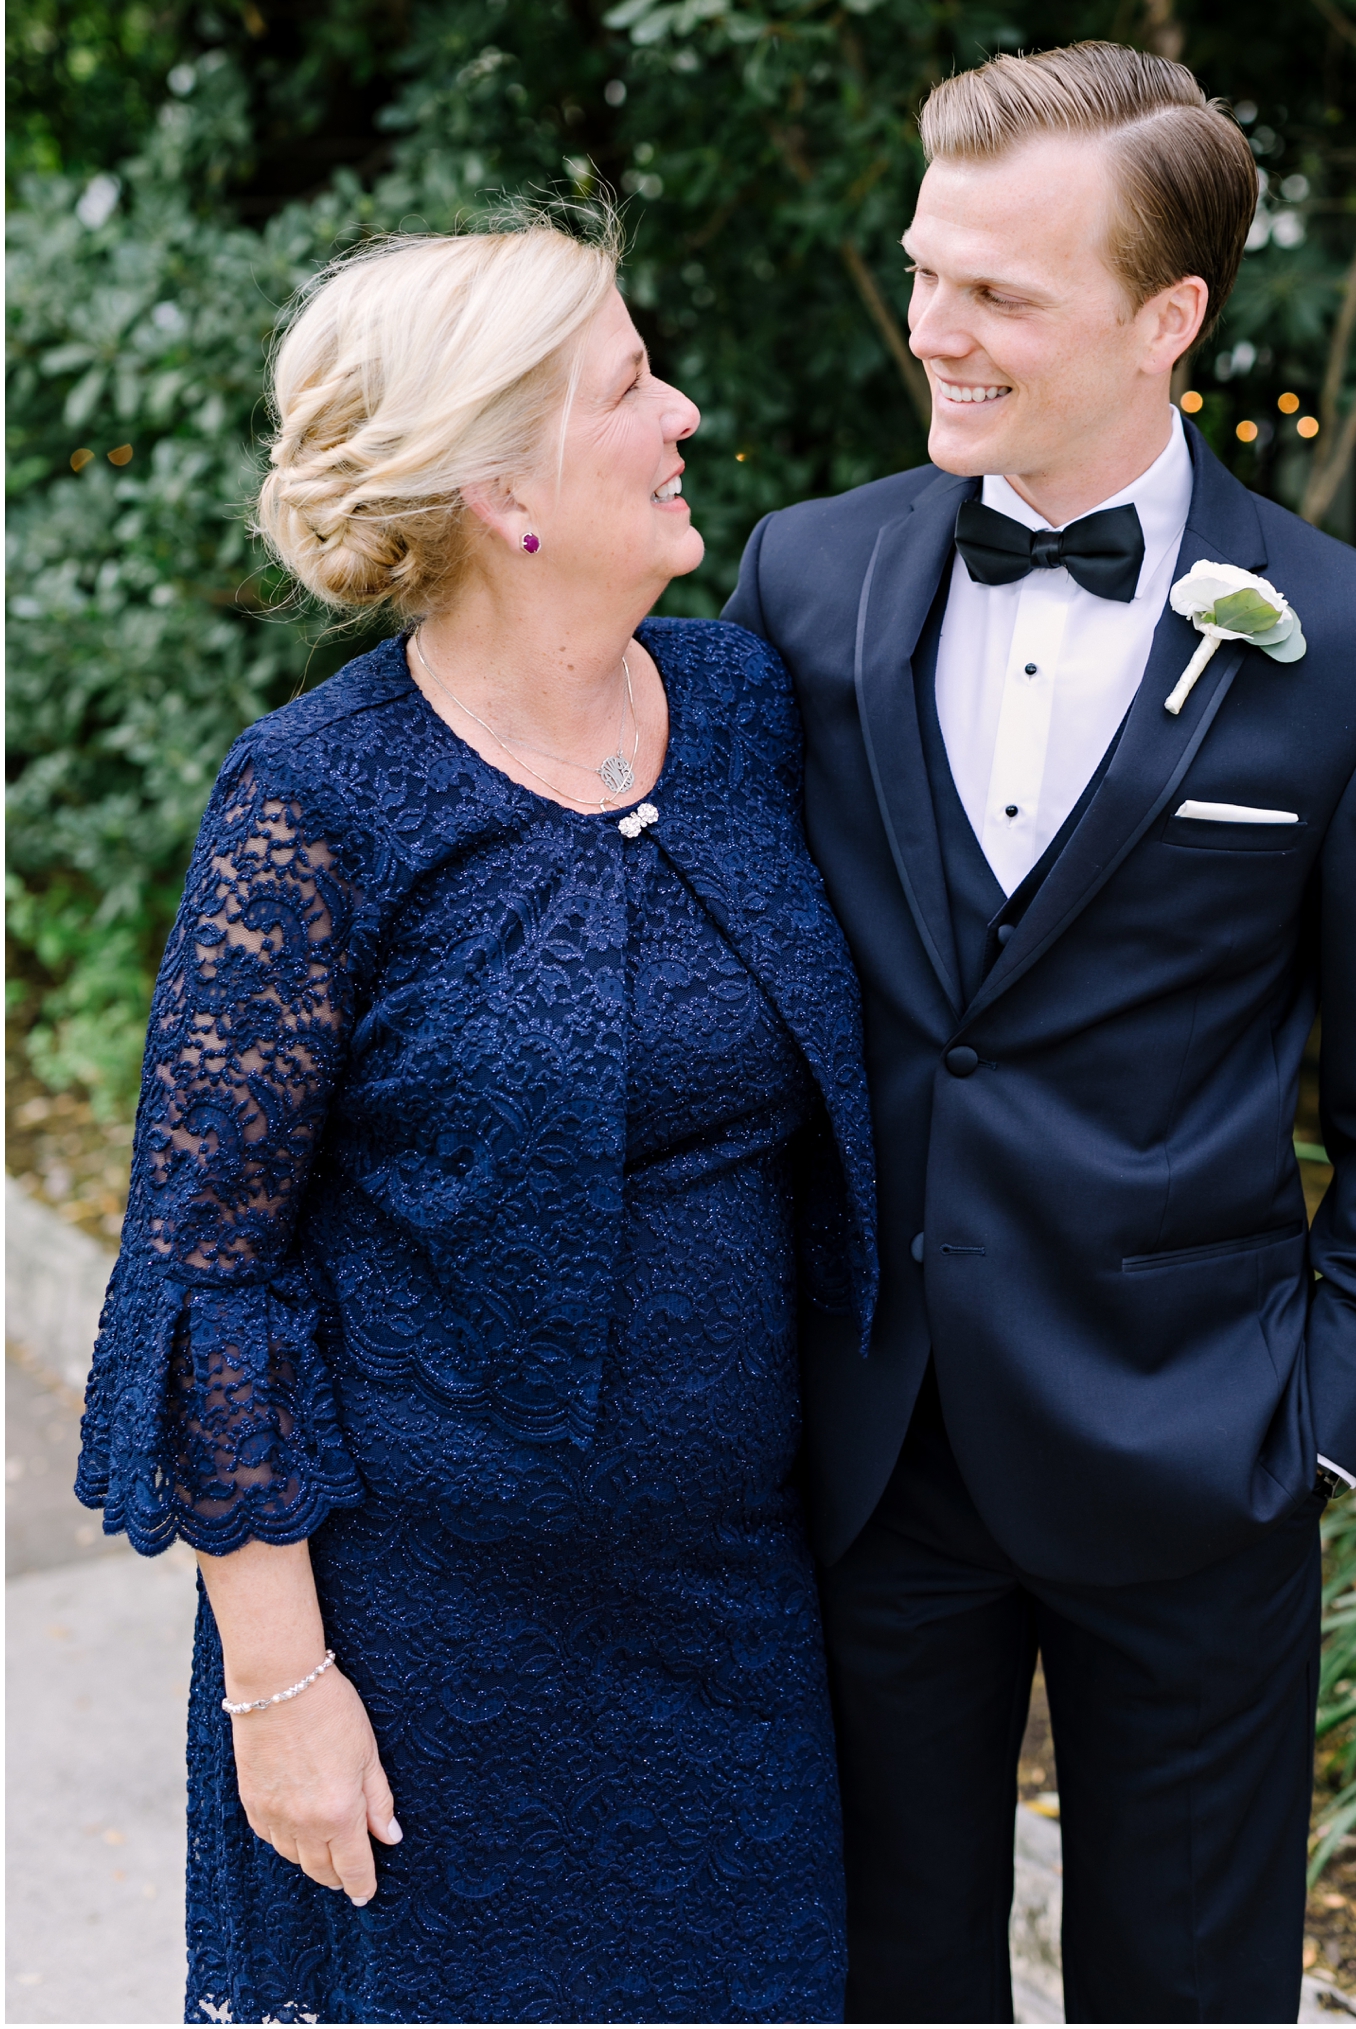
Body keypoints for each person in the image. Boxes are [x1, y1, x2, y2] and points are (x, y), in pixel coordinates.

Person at [725, 42, 1356, 2025]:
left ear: (1168, 318)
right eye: (921, 271)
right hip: (871, 1441)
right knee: (884, 1973)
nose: (932, 330)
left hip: (1194, 1450)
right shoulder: (801, 579)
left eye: (995, 292)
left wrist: (1319, 1430)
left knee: (1185, 1984)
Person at [76, 212, 877, 2027]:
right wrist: (278, 1688)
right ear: (508, 488)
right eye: (628, 386)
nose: (684, 414)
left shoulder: (745, 712)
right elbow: (210, 1275)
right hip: (428, 1653)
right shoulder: (319, 803)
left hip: (734, 1624)